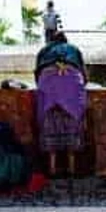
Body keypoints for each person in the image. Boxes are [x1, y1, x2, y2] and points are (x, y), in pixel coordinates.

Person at [34, 31, 87, 177]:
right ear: (65, 40)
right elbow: (84, 74)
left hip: (48, 80)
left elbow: (37, 75)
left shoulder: (44, 50)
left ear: (51, 41)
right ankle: (71, 168)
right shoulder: (73, 49)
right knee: (72, 121)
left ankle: (52, 168)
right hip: (72, 79)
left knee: (49, 121)